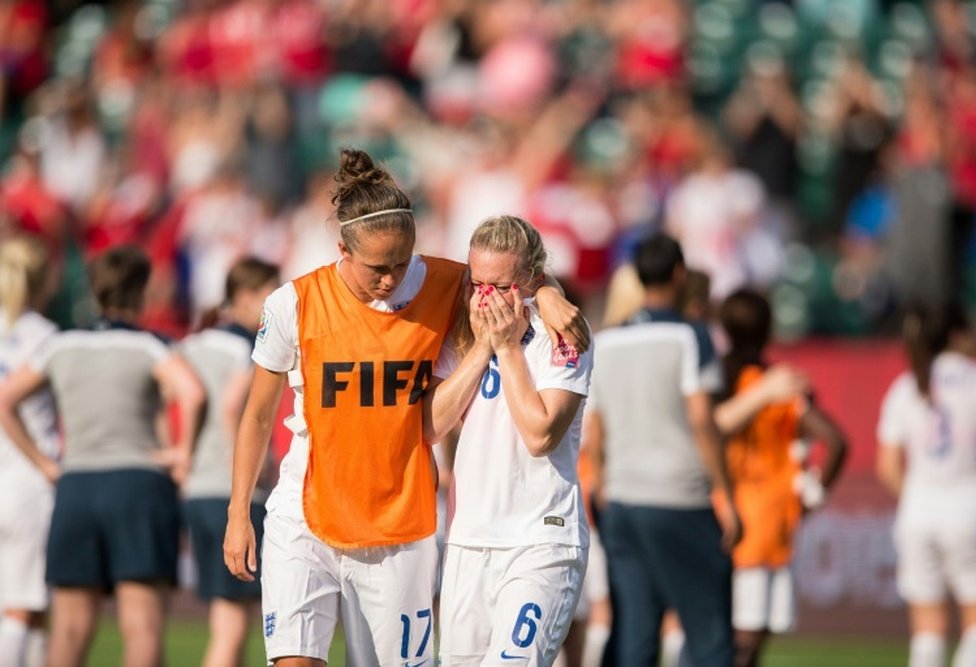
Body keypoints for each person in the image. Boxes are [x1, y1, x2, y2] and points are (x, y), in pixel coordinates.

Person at [222, 148, 589, 667]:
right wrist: (239, 511)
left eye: (402, 262)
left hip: (398, 521)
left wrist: (549, 293)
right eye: (377, 267)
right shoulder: (294, 304)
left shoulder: (443, 283)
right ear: (342, 249)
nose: (391, 279)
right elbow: (258, 414)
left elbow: (512, 277)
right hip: (305, 508)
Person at [0, 245, 205, 667]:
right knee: (141, 625)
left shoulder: (61, 344)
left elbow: (6, 400)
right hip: (138, 483)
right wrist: (182, 454)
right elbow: (192, 392)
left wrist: (43, 463)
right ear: (141, 291)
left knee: (70, 628)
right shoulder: (149, 345)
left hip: (76, 485)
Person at [438, 215, 594, 666]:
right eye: (478, 283)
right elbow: (432, 424)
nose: (486, 298)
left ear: (531, 280)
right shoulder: (463, 331)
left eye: (501, 286)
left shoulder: (563, 335)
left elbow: (540, 434)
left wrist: (507, 349)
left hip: (540, 539)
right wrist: (484, 347)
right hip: (469, 539)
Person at [586, 232, 740, 667]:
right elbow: (700, 418)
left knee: (634, 637)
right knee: (709, 636)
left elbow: (597, 428)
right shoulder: (690, 336)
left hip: (620, 501)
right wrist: (725, 494)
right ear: (679, 273)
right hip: (679, 497)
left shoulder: (607, 340)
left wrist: (602, 486)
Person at [713, 289, 849, 667]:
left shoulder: (715, 380)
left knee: (731, 633)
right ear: (769, 329)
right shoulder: (781, 385)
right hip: (768, 518)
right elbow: (836, 443)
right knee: (748, 640)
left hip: (720, 510)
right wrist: (814, 494)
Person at [877, 305, 976, 667]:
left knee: (927, 630)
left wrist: (916, 498)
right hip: (971, 507)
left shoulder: (906, 384)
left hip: (918, 511)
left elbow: (887, 467)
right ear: (958, 334)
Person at [179, 257, 280, 667]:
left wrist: (180, 452)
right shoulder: (248, 347)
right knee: (232, 622)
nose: (274, 306)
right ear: (242, 297)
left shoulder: (194, 342)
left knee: (225, 614)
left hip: (197, 488)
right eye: (267, 296)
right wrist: (245, 458)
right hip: (232, 490)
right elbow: (230, 406)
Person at [0, 236, 59, 667]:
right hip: (26, 480)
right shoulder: (43, 335)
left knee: (32, 607)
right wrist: (42, 461)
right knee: (21, 606)